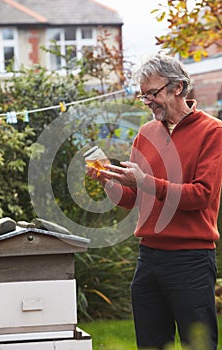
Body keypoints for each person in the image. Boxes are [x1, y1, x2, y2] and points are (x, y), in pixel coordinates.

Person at [86, 52, 222, 350]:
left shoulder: (213, 131)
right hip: (148, 259)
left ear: (178, 88)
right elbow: (136, 199)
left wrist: (145, 182)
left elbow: (201, 195)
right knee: (150, 345)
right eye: (143, 95)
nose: (147, 101)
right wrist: (108, 182)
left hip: (191, 260)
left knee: (198, 345)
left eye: (153, 93)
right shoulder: (146, 134)